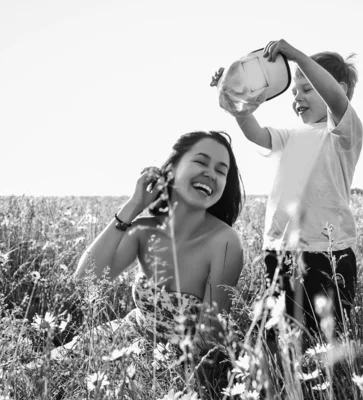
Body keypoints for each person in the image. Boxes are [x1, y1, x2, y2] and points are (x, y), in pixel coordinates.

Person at [211, 39, 362, 342]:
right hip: (280, 253)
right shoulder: (292, 137)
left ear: (340, 88)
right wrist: (233, 97)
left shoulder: (343, 133)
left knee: (326, 340)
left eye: (306, 89)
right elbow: (255, 134)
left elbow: (332, 96)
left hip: (327, 255)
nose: (297, 97)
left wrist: (296, 56)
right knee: (279, 338)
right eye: (294, 92)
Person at [53, 130, 245, 359]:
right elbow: (85, 281)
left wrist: (155, 373)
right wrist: (133, 206)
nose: (211, 174)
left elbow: (207, 339)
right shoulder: (144, 230)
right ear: (171, 170)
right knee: (38, 374)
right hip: (124, 336)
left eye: (221, 171)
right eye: (201, 161)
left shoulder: (225, 242)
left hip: (176, 361)